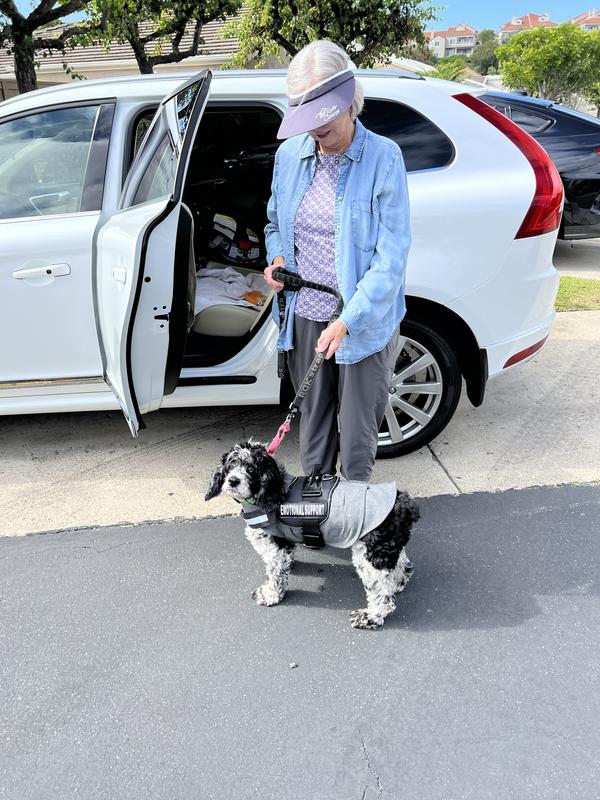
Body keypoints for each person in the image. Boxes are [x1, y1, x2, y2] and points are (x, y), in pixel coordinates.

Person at [264, 40, 411, 482]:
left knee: (356, 437)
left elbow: (391, 258)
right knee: (313, 426)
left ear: (349, 102)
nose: (315, 130)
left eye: (323, 119)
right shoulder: (289, 156)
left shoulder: (384, 158)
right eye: (306, 121)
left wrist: (348, 320)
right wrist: (276, 260)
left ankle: (360, 524)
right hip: (304, 314)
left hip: (360, 320)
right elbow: (274, 222)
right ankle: (319, 512)